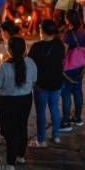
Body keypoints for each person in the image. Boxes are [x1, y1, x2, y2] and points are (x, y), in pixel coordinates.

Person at [0, 36, 37, 170]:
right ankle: (20, 156)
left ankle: (10, 165)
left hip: (8, 101)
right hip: (25, 99)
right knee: (22, 126)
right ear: (24, 49)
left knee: (10, 132)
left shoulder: (4, 66)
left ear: (9, 50)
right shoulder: (30, 63)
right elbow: (34, 82)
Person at [28, 19, 65, 147]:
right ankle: (56, 136)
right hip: (56, 82)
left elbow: (30, 64)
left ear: (42, 31)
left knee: (41, 112)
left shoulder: (36, 47)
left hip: (42, 84)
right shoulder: (59, 45)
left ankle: (41, 140)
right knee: (55, 108)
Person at [61, 10, 85, 130]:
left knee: (66, 94)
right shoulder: (83, 32)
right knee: (78, 91)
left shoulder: (67, 34)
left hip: (69, 66)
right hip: (80, 65)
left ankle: (66, 121)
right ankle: (78, 118)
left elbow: (65, 51)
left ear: (68, 19)